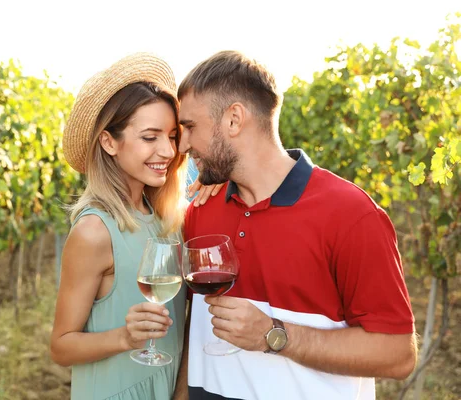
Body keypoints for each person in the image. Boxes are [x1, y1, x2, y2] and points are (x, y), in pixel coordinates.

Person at [176, 50, 417, 400]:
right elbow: (194, 321)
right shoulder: (202, 207)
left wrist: (274, 335)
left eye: (190, 127)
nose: (182, 145)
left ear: (233, 119)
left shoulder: (351, 215)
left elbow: (397, 355)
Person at [50, 53, 213, 400]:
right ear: (109, 142)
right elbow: (61, 347)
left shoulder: (167, 221)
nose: (168, 151)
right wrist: (124, 338)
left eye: (171, 136)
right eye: (149, 137)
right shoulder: (94, 231)